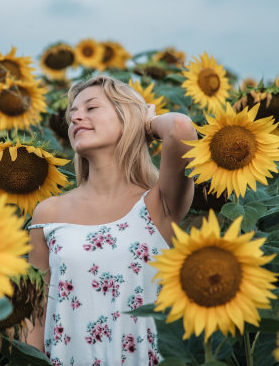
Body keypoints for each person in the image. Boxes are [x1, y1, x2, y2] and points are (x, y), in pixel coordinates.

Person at [27, 75, 197, 365]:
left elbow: (181, 128)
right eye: (73, 115)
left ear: (127, 117)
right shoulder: (48, 213)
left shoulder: (158, 204)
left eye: (91, 108)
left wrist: (147, 122)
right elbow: (34, 315)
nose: (76, 117)